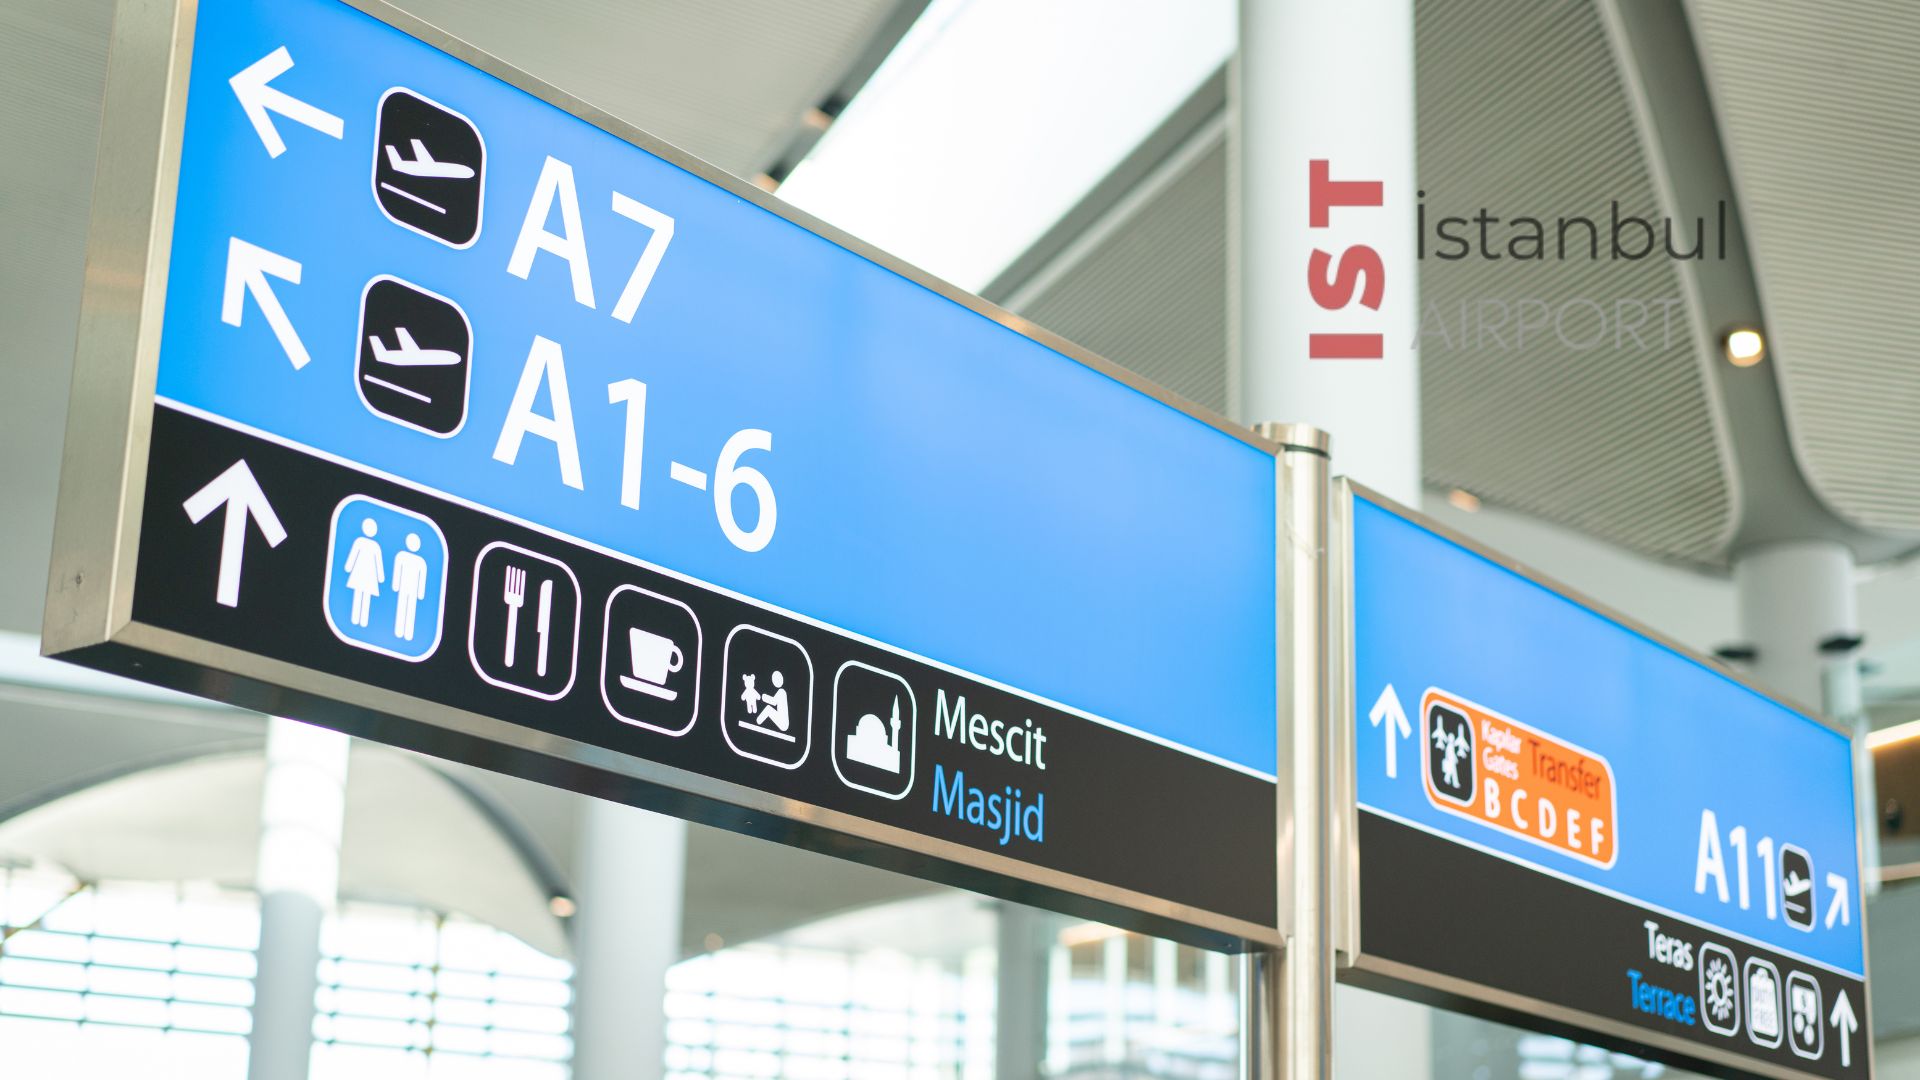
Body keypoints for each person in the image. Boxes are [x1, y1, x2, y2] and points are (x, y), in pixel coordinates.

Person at [344, 517, 385, 628]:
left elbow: (378, 563)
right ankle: (356, 619)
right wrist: (348, 567)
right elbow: (353, 556)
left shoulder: (375, 546)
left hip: (369, 576)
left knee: (365, 597)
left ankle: (362, 621)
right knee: (359, 595)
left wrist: (380, 577)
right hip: (360, 574)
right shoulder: (360, 542)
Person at [391, 533, 429, 641]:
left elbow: (422, 578)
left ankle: (407, 633)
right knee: (402, 607)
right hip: (403, 588)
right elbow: (397, 571)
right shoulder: (401, 556)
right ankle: (398, 631)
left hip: (413, 591)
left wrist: (420, 593)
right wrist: (395, 585)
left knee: (410, 610)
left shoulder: (421, 562)